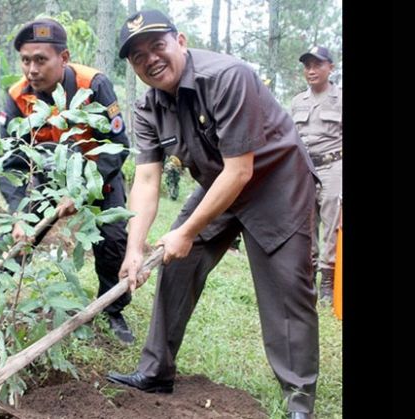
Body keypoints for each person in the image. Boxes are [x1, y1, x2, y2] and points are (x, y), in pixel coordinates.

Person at [105, 10, 320, 419]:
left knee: (287, 288)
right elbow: (147, 180)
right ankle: (155, 371)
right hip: (218, 182)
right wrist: (135, 248)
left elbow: (242, 170)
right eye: (137, 56)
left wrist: (186, 230)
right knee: (174, 265)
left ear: (180, 41)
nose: (150, 59)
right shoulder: (148, 106)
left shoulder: (226, 77)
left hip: (276, 184)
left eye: (157, 46)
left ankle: (299, 398)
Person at [0, 18, 133, 343]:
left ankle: (114, 310)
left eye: (40, 60)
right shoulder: (16, 96)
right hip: (48, 181)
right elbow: (12, 161)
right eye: (25, 60)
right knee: (16, 239)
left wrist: (79, 191)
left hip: (97, 177)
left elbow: (118, 146)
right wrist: (18, 213)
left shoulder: (93, 84)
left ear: (63, 58)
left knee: (112, 241)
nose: (32, 69)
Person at [290, 46, 342, 304]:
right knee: (306, 224)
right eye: (307, 65)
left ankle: (329, 283)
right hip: (305, 169)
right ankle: (307, 279)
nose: (311, 70)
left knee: (333, 225)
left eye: (317, 65)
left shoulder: (340, 98)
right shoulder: (298, 101)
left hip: (334, 167)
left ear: (330, 67)